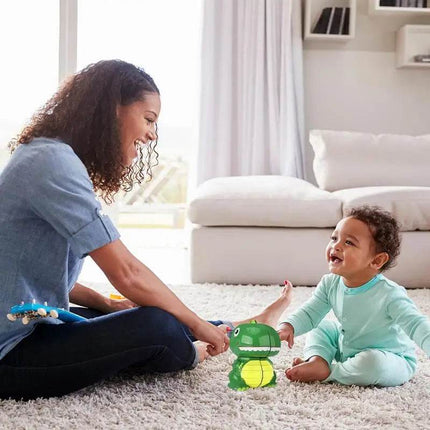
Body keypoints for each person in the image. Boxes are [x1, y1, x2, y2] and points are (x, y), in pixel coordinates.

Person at [0, 59, 292, 400]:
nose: (152, 133)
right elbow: (127, 272)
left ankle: (240, 327)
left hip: (30, 321)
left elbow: (35, 273)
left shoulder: (48, 154)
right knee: (156, 324)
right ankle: (190, 351)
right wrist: (195, 325)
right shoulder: (52, 164)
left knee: (133, 310)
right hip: (11, 352)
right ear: (112, 110)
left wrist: (106, 304)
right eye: (149, 119)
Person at [278, 205, 430, 387]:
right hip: (346, 347)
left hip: (390, 358)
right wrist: (289, 326)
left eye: (349, 242)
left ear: (377, 260)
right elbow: (310, 313)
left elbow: (417, 325)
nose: (336, 246)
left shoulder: (390, 294)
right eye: (334, 238)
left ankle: (330, 372)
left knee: (373, 364)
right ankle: (318, 360)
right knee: (321, 326)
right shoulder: (330, 283)